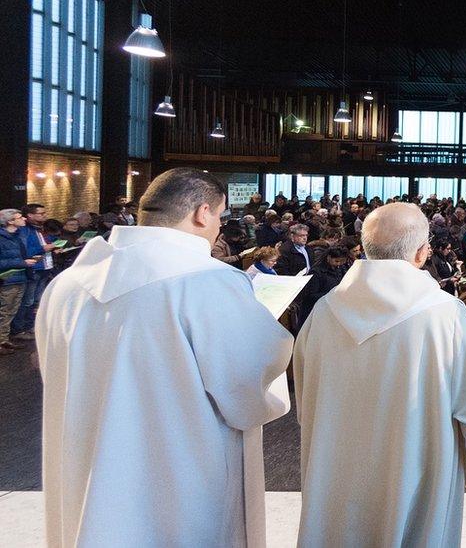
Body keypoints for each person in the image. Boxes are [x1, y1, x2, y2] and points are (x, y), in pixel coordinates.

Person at [37, 168, 294, 547]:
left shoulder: (67, 285)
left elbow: (57, 372)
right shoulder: (207, 281)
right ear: (202, 213)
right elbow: (246, 385)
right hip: (180, 470)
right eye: (220, 217)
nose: (219, 229)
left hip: (86, 462)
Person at [292, 202, 466, 546]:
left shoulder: (325, 311)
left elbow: (305, 394)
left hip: (338, 468)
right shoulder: (444, 315)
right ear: (420, 253)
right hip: (416, 465)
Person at [11, 203, 55, 340]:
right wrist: (43, 249)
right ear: (30, 215)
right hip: (34, 268)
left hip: (44, 267)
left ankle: (30, 326)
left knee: (37, 300)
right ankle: (20, 329)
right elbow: (25, 250)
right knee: (28, 301)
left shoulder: (39, 229)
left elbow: (43, 242)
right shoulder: (24, 231)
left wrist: (54, 246)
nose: (44, 216)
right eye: (41, 213)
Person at [0, 209, 37, 354]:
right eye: (20, 217)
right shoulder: (3, 238)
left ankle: (4, 339)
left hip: (21, 278)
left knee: (11, 311)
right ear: (10, 221)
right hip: (8, 280)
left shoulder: (17, 236)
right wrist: (22, 262)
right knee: (4, 310)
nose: (24, 219)